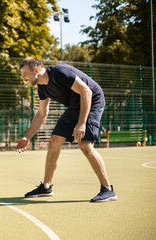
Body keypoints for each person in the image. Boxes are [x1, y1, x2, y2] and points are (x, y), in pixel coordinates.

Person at [16, 57, 117, 203]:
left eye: (25, 74)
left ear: (36, 70)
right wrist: (27, 137)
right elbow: (42, 113)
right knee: (54, 141)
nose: (24, 78)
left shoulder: (60, 73)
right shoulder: (42, 88)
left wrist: (81, 123)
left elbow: (86, 92)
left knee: (84, 144)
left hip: (93, 101)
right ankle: (46, 186)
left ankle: (107, 189)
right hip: (75, 106)